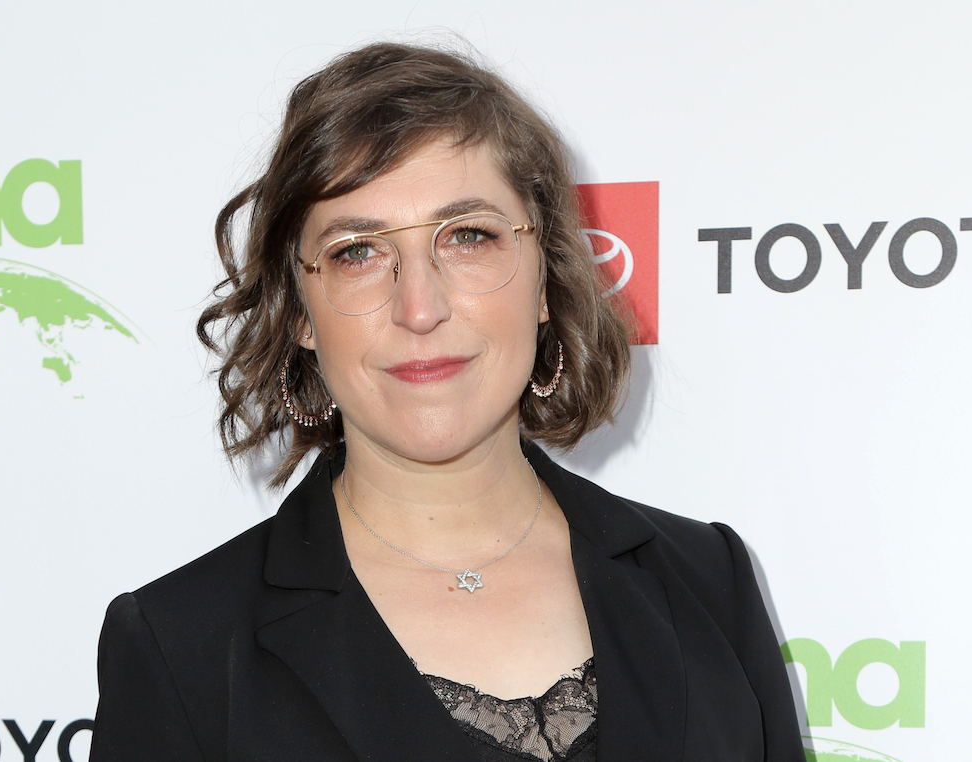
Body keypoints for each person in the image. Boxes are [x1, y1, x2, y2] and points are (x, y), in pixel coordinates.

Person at [90, 41, 804, 762]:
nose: (419, 307)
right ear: (300, 310)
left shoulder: (709, 579)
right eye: (357, 251)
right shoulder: (180, 648)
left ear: (547, 280)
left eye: (468, 237)